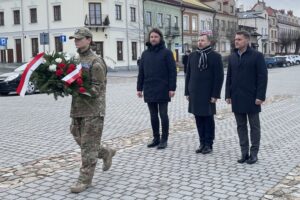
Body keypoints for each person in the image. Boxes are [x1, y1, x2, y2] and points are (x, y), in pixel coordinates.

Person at [68, 27, 116, 193]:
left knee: (88, 146)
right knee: (79, 138)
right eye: (75, 39)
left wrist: (76, 86)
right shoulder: (74, 60)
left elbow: (97, 90)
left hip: (93, 110)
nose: (76, 41)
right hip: (77, 109)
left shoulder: (96, 62)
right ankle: (105, 152)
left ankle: (84, 180)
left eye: (80, 38)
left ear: (89, 39)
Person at [225, 30, 268, 164]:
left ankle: (254, 154)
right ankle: (244, 153)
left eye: (239, 39)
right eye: (235, 39)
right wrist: (228, 94)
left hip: (252, 98)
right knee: (240, 126)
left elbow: (262, 78)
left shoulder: (257, 56)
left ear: (247, 41)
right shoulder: (232, 57)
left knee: (254, 127)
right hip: (237, 97)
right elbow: (229, 77)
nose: (236, 41)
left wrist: (260, 96)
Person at [137, 28, 177, 149]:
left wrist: (172, 88)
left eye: (156, 37)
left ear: (160, 38)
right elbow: (141, 72)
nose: (153, 39)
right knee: (153, 115)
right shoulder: (145, 54)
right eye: (152, 37)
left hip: (163, 88)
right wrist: (139, 88)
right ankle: (156, 138)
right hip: (149, 88)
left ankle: (164, 139)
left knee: (163, 114)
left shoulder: (167, 53)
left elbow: (172, 72)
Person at [185, 34, 224, 154]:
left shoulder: (215, 56)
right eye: (199, 40)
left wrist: (215, 94)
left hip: (208, 93)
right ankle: (202, 142)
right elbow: (188, 75)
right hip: (195, 93)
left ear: (208, 42)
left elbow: (219, 77)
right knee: (198, 118)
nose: (200, 42)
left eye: (202, 40)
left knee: (208, 119)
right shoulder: (192, 56)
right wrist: (187, 91)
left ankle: (209, 144)